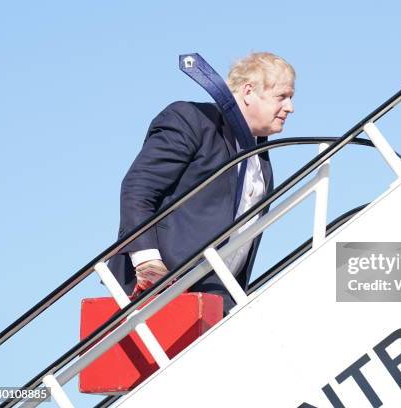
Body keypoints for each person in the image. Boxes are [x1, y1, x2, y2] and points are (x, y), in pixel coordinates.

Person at [108, 52, 295, 314]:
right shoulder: (192, 120)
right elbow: (138, 189)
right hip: (164, 290)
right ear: (249, 91)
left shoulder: (261, 161)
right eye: (282, 97)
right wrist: (148, 263)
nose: (290, 107)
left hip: (220, 300)